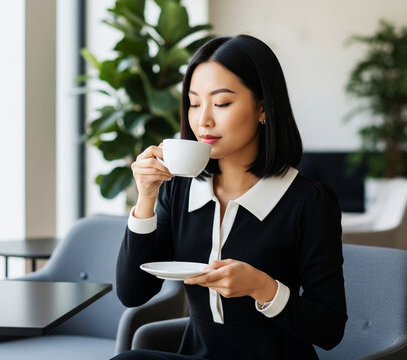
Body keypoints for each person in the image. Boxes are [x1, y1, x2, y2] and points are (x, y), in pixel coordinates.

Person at [113, 35, 347, 360]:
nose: (203, 119)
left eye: (221, 103)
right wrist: (146, 199)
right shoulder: (179, 190)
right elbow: (132, 293)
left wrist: (261, 287)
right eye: (194, 103)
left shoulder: (308, 201)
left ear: (263, 107)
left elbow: (330, 330)